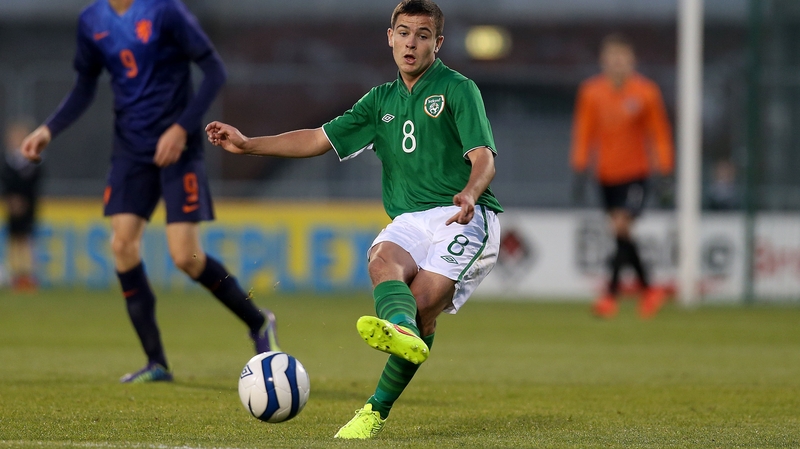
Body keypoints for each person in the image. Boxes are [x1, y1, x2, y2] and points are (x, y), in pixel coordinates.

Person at [206, 0, 502, 439]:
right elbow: (316, 138)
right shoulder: (379, 101)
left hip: (465, 217)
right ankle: (400, 330)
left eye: (423, 35)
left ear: (437, 44)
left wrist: (470, 193)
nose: (411, 43)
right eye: (403, 32)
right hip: (410, 218)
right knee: (382, 259)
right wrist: (249, 145)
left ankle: (375, 409)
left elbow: (483, 156)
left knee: (424, 307)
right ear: (390, 36)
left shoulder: (459, 89)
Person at [19, 0, 279, 383]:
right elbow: (85, 84)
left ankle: (258, 321)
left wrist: (180, 128)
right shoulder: (92, 20)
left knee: (185, 257)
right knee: (122, 245)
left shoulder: (164, 12)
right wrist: (48, 129)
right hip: (130, 149)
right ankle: (156, 362)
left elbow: (213, 71)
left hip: (178, 148)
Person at [570, 33, 675, 319]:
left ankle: (610, 295)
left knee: (620, 227)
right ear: (603, 60)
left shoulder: (646, 92)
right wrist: (580, 168)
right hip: (606, 174)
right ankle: (649, 289)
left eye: (622, 57)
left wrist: (665, 172)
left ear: (632, 61)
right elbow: (584, 131)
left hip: (636, 173)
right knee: (622, 233)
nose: (617, 63)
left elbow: (659, 134)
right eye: (612, 57)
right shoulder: (591, 92)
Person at [2, 119, 42, 292]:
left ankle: (27, 275)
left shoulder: (33, 160)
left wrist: (23, 200)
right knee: (14, 240)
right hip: (11, 207)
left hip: (28, 206)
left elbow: (36, 182)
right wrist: (10, 199)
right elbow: (4, 182)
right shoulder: (7, 160)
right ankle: (15, 276)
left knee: (27, 239)